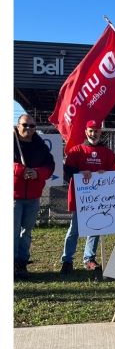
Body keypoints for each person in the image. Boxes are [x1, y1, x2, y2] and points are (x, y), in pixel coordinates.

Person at [61, 120, 115, 275]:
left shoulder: (107, 153)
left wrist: (104, 174)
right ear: (86, 132)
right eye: (91, 131)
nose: (94, 133)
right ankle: (67, 260)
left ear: (101, 132)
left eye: (96, 130)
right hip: (81, 198)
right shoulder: (76, 150)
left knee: (95, 228)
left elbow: (113, 173)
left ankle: (89, 258)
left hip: (98, 198)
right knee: (75, 229)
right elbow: (67, 171)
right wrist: (80, 172)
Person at [13, 114, 54, 279]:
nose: (28, 129)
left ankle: (22, 262)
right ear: (18, 125)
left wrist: (37, 173)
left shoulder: (40, 145)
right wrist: (21, 171)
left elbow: (50, 166)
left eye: (32, 126)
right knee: (12, 231)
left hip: (33, 197)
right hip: (14, 196)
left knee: (26, 231)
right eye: (25, 125)